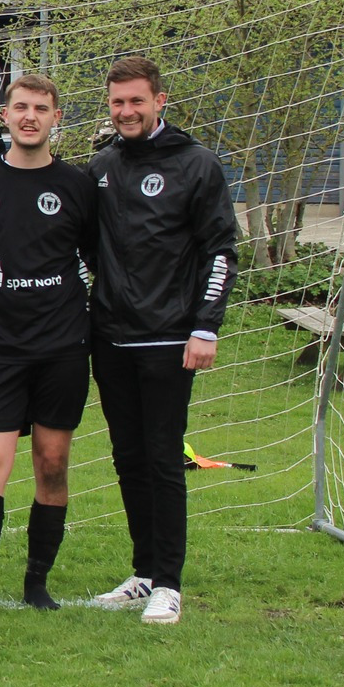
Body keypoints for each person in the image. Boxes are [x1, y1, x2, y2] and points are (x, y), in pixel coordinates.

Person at [85, 55, 238, 626]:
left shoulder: (196, 164)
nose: (126, 111)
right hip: (111, 339)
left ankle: (169, 585)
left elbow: (219, 249)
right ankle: (143, 572)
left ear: (159, 101)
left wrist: (205, 324)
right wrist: (91, 297)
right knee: (128, 458)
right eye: (118, 102)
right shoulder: (101, 166)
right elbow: (82, 250)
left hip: (172, 339)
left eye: (136, 102)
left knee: (163, 456)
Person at [0, 74, 98, 617]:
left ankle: (37, 585)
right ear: (3, 116)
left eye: (41, 108)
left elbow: (101, 266)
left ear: (57, 118)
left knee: (52, 464)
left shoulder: (78, 186)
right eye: (21, 107)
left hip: (62, 349)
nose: (30, 117)